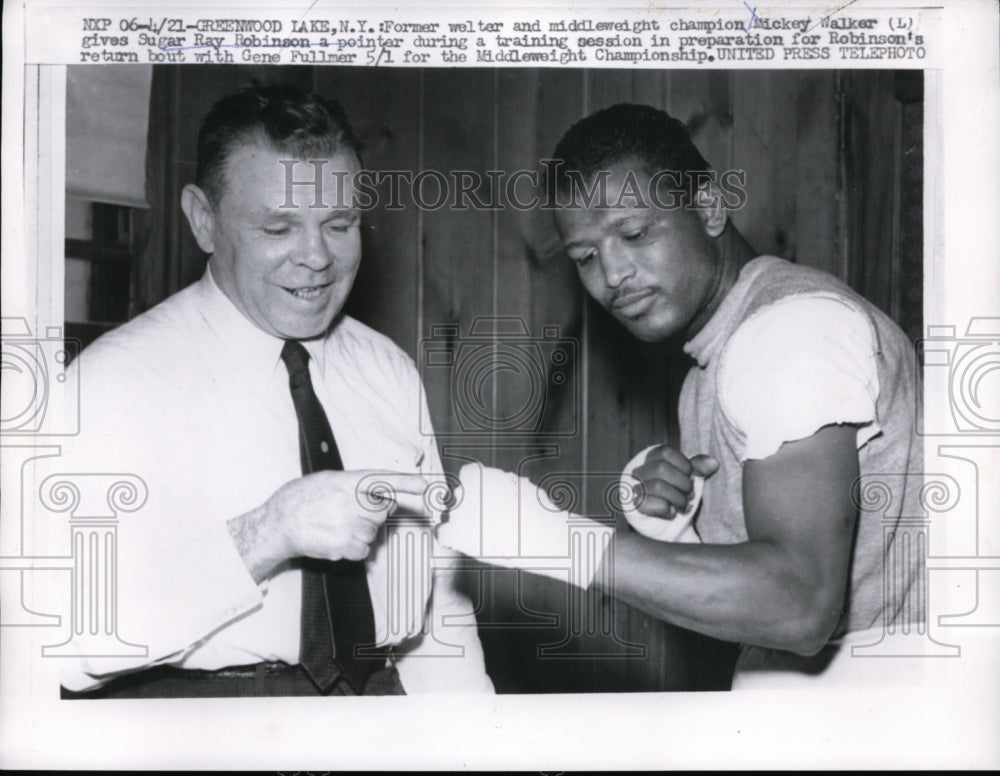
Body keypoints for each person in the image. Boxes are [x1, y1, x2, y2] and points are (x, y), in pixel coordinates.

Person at [441, 102, 923, 688]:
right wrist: (679, 529)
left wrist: (548, 538)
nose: (613, 274)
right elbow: (765, 602)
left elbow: (798, 605)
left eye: (636, 233)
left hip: (871, 707)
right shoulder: (718, 356)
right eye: (585, 257)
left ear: (710, 207)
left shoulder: (790, 332)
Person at [47, 84, 493, 696]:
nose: (317, 257)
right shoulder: (109, 385)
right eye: (279, 227)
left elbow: (439, 612)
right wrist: (268, 532)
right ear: (204, 221)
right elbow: (61, 642)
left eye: (339, 223)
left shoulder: (387, 370)